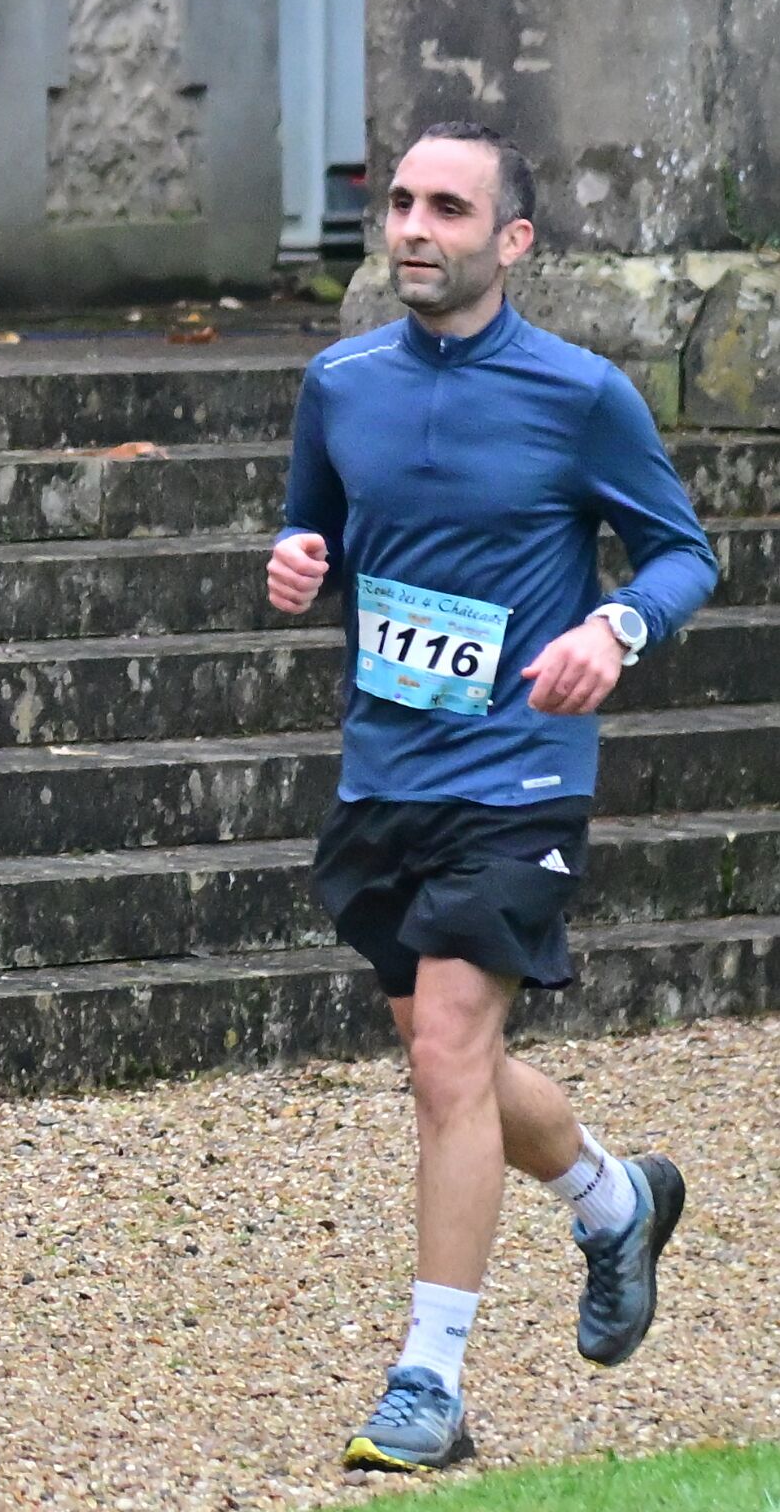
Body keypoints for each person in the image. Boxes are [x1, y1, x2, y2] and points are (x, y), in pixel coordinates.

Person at [269, 123, 718, 1474]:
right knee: (443, 1055)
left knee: (450, 1056)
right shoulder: (340, 382)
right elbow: (316, 527)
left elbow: (683, 555)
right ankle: (612, 1198)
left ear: (512, 240)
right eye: (401, 202)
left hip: (520, 774)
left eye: (449, 209)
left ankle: (431, 1382)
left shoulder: (581, 395)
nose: (414, 226)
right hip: (385, 772)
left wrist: (614, 631)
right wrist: (297, 561)